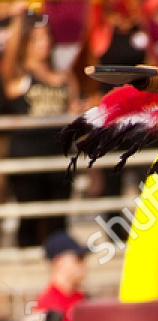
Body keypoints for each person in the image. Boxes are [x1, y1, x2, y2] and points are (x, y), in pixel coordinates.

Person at [3, 5, 73, 250]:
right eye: (37, 38)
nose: (44, 43)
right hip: (28, 158)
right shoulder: (14, 75)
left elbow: (74, 106)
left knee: (58, 221)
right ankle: (27, 271)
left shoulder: (63, 75)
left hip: (59, 156)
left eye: (47, 37)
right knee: (30, 221)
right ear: (24, 41)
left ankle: (61, 269)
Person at [33, 231, 89, 321]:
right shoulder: (48, 301)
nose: (84, 265)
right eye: (78, 259)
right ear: (59, 262)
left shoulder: (79, 295)